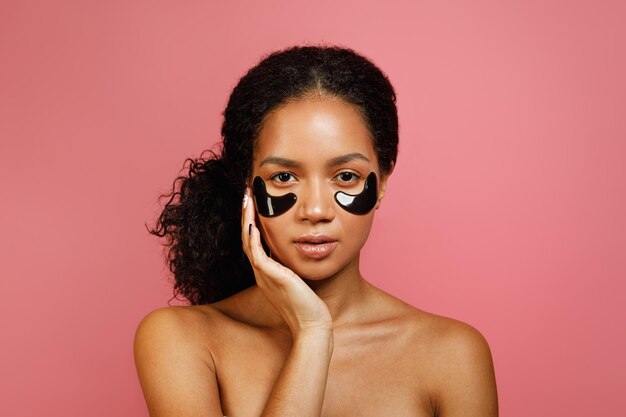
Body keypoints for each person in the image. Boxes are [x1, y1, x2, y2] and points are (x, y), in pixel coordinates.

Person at [134, 45, 498, 417]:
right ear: (248, 186)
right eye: (284, 177)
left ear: (383, 181)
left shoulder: (452, 355)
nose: (316, 210)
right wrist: (312, 333)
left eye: (345, 176)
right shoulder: (182, 340)